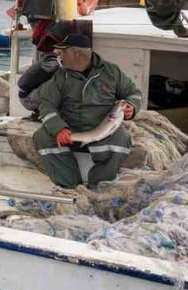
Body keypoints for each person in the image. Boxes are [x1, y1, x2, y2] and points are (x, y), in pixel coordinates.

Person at [31, 34, 143, 189]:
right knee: (42, 137)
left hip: (101, 127)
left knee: (121, 138)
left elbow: (134, 93)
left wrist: (131, 105)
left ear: (77, 54)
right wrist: (59, 128)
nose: (60, 57)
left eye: (63, 53)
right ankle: (69, 186)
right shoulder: (60, 75)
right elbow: (46, 105)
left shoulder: (111, 72)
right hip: (69, 127)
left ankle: (98, 187)